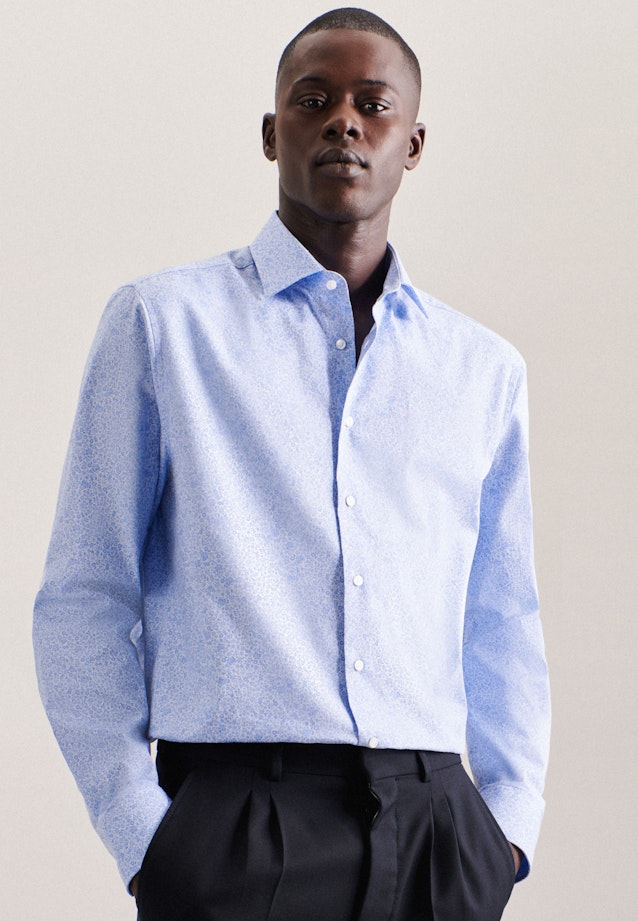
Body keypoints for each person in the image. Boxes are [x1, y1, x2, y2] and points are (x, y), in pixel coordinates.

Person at [33, 8, 550, 921]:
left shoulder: (482, 370)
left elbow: (501, 612)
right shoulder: (163, 326)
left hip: (437, 830)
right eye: (313, 101)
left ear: (412, 143)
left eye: (373, 104)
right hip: (236, 826)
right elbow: (84, 594)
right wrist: (145, 835)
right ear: (273, 133)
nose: (343, 121)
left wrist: (504, 829)